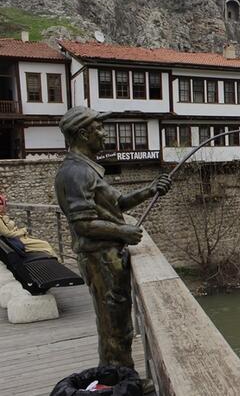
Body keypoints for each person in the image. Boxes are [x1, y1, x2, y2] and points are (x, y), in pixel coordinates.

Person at [54, 106, 172, 369]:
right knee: (114, 328)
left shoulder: (87, 169)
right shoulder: (75, 173)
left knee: (118, 324)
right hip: (100, 259)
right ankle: (118, 380)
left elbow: (116, 203)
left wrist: (150, 190)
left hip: (107, 258)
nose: (104, 134)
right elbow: (82, 224)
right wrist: (123, 232)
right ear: (83, 134)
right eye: (98, 129)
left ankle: (119, 377)